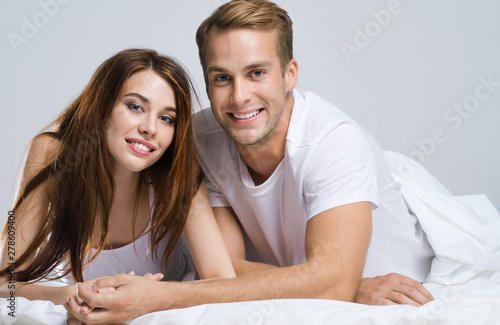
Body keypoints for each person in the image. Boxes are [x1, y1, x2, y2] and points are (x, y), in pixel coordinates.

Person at [67, 1, 436, 323]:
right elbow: (225, 269)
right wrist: (316, 279)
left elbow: (334, 286)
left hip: (399, 284)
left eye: (257, 73)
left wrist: (158, 298)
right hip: (324, 285)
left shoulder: (332, 142)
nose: (240, 96)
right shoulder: (201, 137)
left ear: (290, 74)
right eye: (222, 78)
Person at [0, 49, 236, 307]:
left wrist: (152, 296)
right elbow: (6, 283)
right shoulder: (53, 154)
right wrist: (74, 293)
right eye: (135, 107)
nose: (150, 128)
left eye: (166, 118)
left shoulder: (178, 172)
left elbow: (223, 283)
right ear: (103, 105)